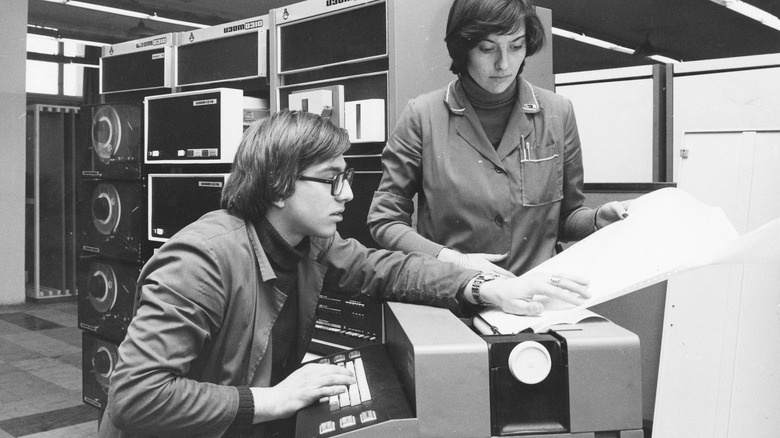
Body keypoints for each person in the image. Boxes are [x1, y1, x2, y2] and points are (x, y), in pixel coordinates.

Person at [98, 110, 590, 438]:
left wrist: (488, 287)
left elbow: (386, 268)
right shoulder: (203, 261)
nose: (348, 195)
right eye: (332, 180)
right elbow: (137, 395)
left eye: (347, 178)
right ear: (277, 186)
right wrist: (271, 400)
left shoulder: (310, 243)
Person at [367, 0, 630, 278]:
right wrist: (453, 261)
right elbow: (385, 220)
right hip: (452, 297)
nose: (504, 64)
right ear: (463, 48)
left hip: (535, 298)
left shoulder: (558, 112)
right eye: (487, 48)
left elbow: (565, 217)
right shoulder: (422, 116)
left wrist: (596, 219)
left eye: (516, 46)